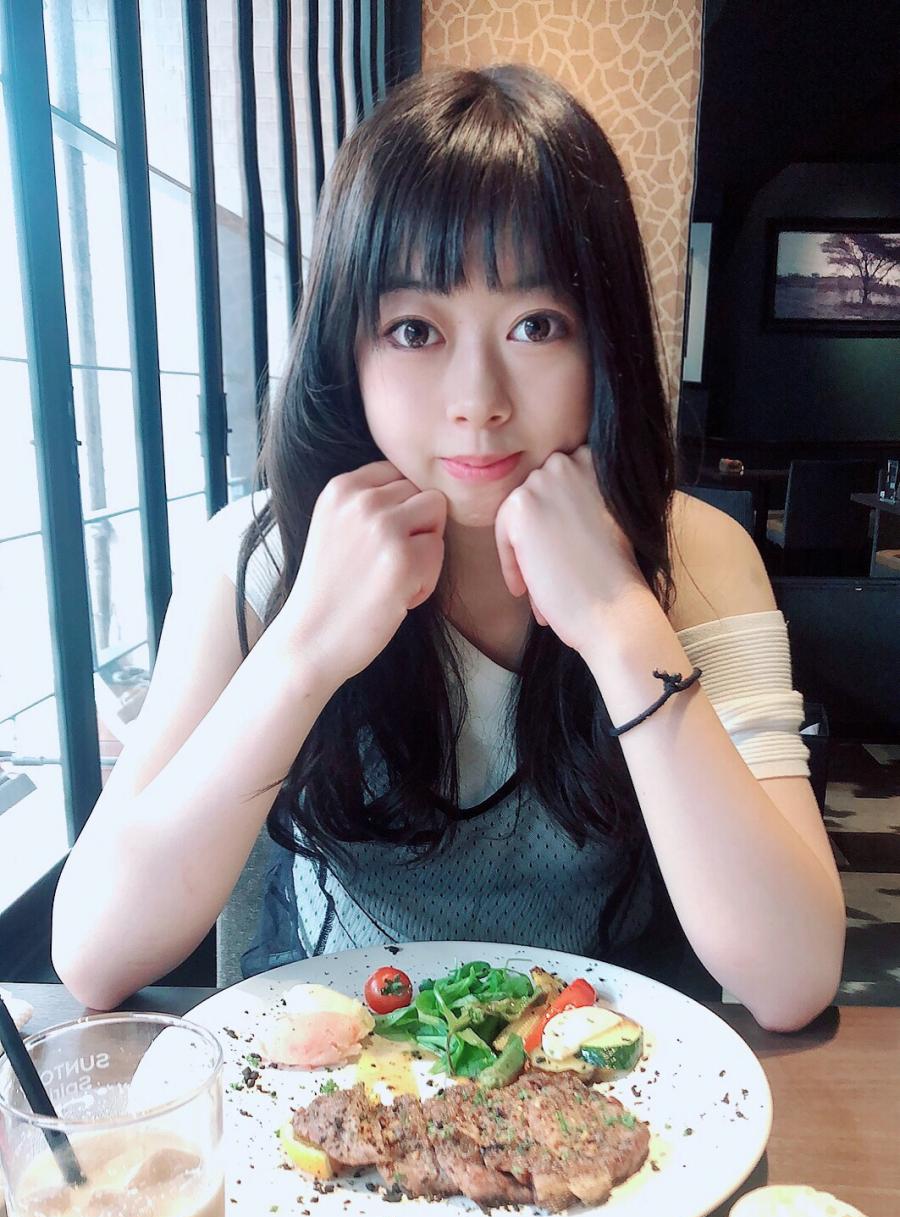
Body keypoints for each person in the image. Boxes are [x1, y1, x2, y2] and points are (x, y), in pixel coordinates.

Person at [52, 65, 845, 1029]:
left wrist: (618, 621)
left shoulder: (698, 555)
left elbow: (793, 976)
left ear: (605, 343)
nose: (478, 400)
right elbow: (94, 953)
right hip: (329, 1074)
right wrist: (306, 644)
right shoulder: (259, 558)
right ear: (346, 348)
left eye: (536, 325)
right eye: (414, 329)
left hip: (604, 1075)